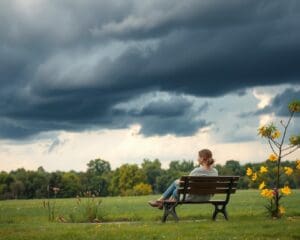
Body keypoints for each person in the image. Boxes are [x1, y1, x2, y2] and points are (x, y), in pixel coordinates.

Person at [148, 149, 218, 209]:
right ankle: (162, 202)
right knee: (176, 191)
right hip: (207, 197)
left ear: (202, 159)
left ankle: (160, 201)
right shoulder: (215, 171)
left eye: (198, 157)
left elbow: (187, 185)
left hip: (193, 197)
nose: (197, 159)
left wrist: (178, 182)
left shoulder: (197, 171)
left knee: (175, 185)